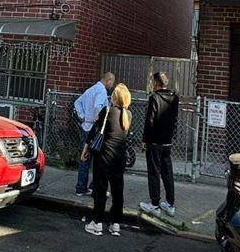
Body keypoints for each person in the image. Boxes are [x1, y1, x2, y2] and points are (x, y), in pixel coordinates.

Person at [84, 83, 132, 237]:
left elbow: (95, 130)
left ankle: (97, 223)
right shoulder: (128, 115)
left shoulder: (107, 111)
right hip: (120, 157)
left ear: (114, 97)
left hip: (104, 155)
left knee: (100, 188)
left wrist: (86, 148)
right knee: (118, 190)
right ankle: (115, 223)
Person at [139, 72, 180, 218]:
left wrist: (145, 140)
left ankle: (155, 204)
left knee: (154, 172)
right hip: (167, 141)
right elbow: (175, 119)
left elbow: (150, 121)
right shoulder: (174, 97)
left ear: (156, 82)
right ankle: (170, 204)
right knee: (167, 172)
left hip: (155, 141)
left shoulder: (154, 97)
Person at [72, 72, 114, 196]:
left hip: (86, 126)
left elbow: (77, 103)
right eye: (112, 82)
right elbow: (98, 107)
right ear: (108, 80)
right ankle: (94, 187)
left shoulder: (90, 90)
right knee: (99, 160)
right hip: (95, 130)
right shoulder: (101, 91)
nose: (112, 85)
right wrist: (97, 120)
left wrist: (83, 116)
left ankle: (81, 187)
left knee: (84, 157)